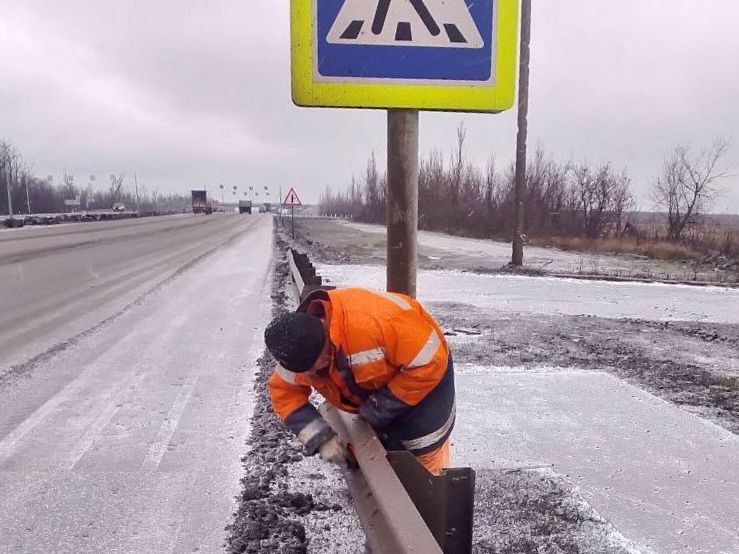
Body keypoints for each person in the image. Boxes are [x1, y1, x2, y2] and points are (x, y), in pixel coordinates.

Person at [265, 287, 455, 476]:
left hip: (425, 382)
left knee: (422, 454)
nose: (310, 374)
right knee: (382, 447)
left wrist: (379, 407)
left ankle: (432, 486)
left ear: (325, 347)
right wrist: (320, 438)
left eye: (314, 368)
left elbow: (431, 362)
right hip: (375, 391)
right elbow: (284, 393)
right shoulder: (296, 348)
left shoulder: (373, 325)